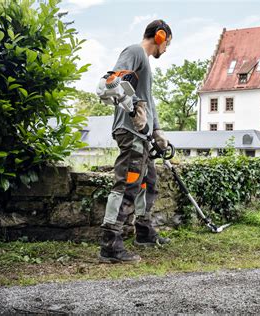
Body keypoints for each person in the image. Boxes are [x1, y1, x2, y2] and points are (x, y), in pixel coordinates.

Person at [99, 20, 173, 263]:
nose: (166, 49)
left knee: (148, 182)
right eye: (167, 43)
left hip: (143, 136)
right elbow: (112, 82)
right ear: (160, 36)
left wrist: (157, 130)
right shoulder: (135, 52)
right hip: (131, 133)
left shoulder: (145, 65)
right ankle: (110, 243)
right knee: (127, 185)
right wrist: (133, 111)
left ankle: (144, 231)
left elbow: (147, 101)